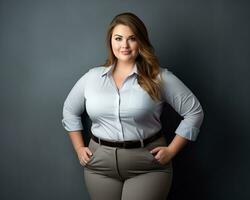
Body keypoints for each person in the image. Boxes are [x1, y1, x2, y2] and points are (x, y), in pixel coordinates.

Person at [61, 12, 204, 200]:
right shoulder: (92, 78)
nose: (124, 46)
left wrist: (171, 151)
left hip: (147, 166)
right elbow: (69, 111)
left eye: (132, 39)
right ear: (110, 41)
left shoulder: (159, 78)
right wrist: (79, 148)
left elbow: (194, 112)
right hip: (100, 167)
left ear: (141, 42)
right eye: (118, 38)